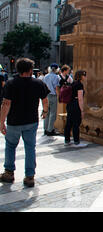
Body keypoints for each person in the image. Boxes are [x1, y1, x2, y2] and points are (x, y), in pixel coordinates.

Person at [0, 58, 50, 188]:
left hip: (14, 121)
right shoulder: (38, 83)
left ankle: (9, 173)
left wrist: (1, 122)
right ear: (30, 70)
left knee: (10, 146)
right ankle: (29, 176)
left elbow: (6, 104)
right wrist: (45, 112)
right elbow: (45, 100)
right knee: (30, 147)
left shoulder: (11, 84)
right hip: (31, 121)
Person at [64, 70, 88, 147]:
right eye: (84, 75)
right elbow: (80, 98)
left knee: (69, 123)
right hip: (75, 104)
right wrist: (82, 110)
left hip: (70, 104)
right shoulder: (80, 85)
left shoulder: (73, 83)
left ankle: (67, 140)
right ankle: (76, 141)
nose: (85, 77)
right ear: (81, 76)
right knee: (76, 123)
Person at [42, 64, 61, 136]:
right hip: (53, 95)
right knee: (53, 113)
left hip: (46, 95)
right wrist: (59, 96)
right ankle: (50, 130)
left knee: (47, 112)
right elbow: (56, 88)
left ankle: (46, 129)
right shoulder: (56, 77)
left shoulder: (46, 76)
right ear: (56, 69)